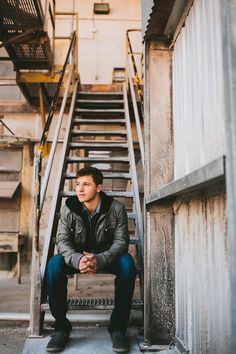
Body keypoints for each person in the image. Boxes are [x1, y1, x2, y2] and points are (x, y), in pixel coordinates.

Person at [46, 166, 136, 353]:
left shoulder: (116, 208)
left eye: (86, 184)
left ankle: (118, 328)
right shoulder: (69, 207)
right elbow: (62, 241)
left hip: (107, 256)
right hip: (77, 256)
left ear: (98, 188)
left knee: (127, 264)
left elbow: (121, 242)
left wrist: (101, 259)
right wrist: (78, 259)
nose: (79, 189)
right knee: (54, 265)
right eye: (77, 184)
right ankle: (61, 327)